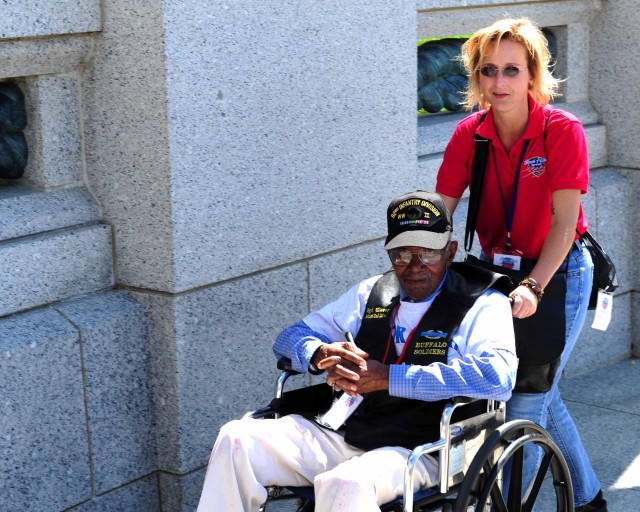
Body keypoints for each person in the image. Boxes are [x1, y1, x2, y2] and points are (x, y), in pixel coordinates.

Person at [196, 190, 517, 512]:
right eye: (402, 254)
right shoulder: (372, 292)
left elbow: (498, 376)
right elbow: (290, 336)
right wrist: (320, 354)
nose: (414, 266)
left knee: (346, 483)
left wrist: (387, 377)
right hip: (351, 427)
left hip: (424, 446)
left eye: (428, 253)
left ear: (450, 251)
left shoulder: (484, 303)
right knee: (237, 438)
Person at [435, 17, 607, 512]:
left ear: (533, 75)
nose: (499, 83)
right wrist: (415, 254)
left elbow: (564, 222)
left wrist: (533, 285)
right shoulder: (471, 133)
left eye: (512, 70)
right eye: (488, 71)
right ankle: (590, 500)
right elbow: (440, 210)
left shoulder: (562, 130)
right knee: (542, 396)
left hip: (557, 273)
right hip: (496, 276)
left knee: (523, 401)